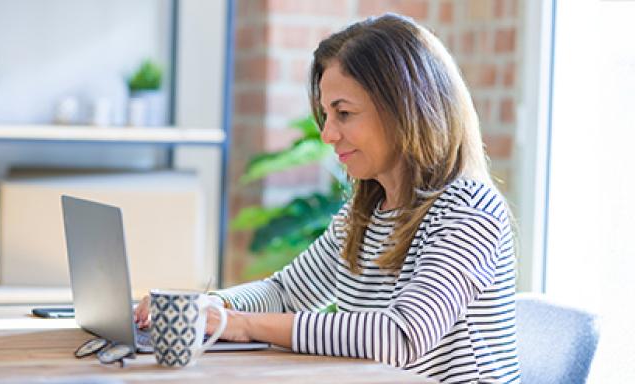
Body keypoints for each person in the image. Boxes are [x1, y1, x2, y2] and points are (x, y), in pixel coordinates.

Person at [135, 13, 520, 383]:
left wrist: (239, 325)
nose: (328, 134)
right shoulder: (368, 213)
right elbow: (285, 293)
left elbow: (401, 336)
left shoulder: (468, 210)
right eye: (326, 115)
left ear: (405, 110)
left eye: (345, 113)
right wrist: (203, 306)